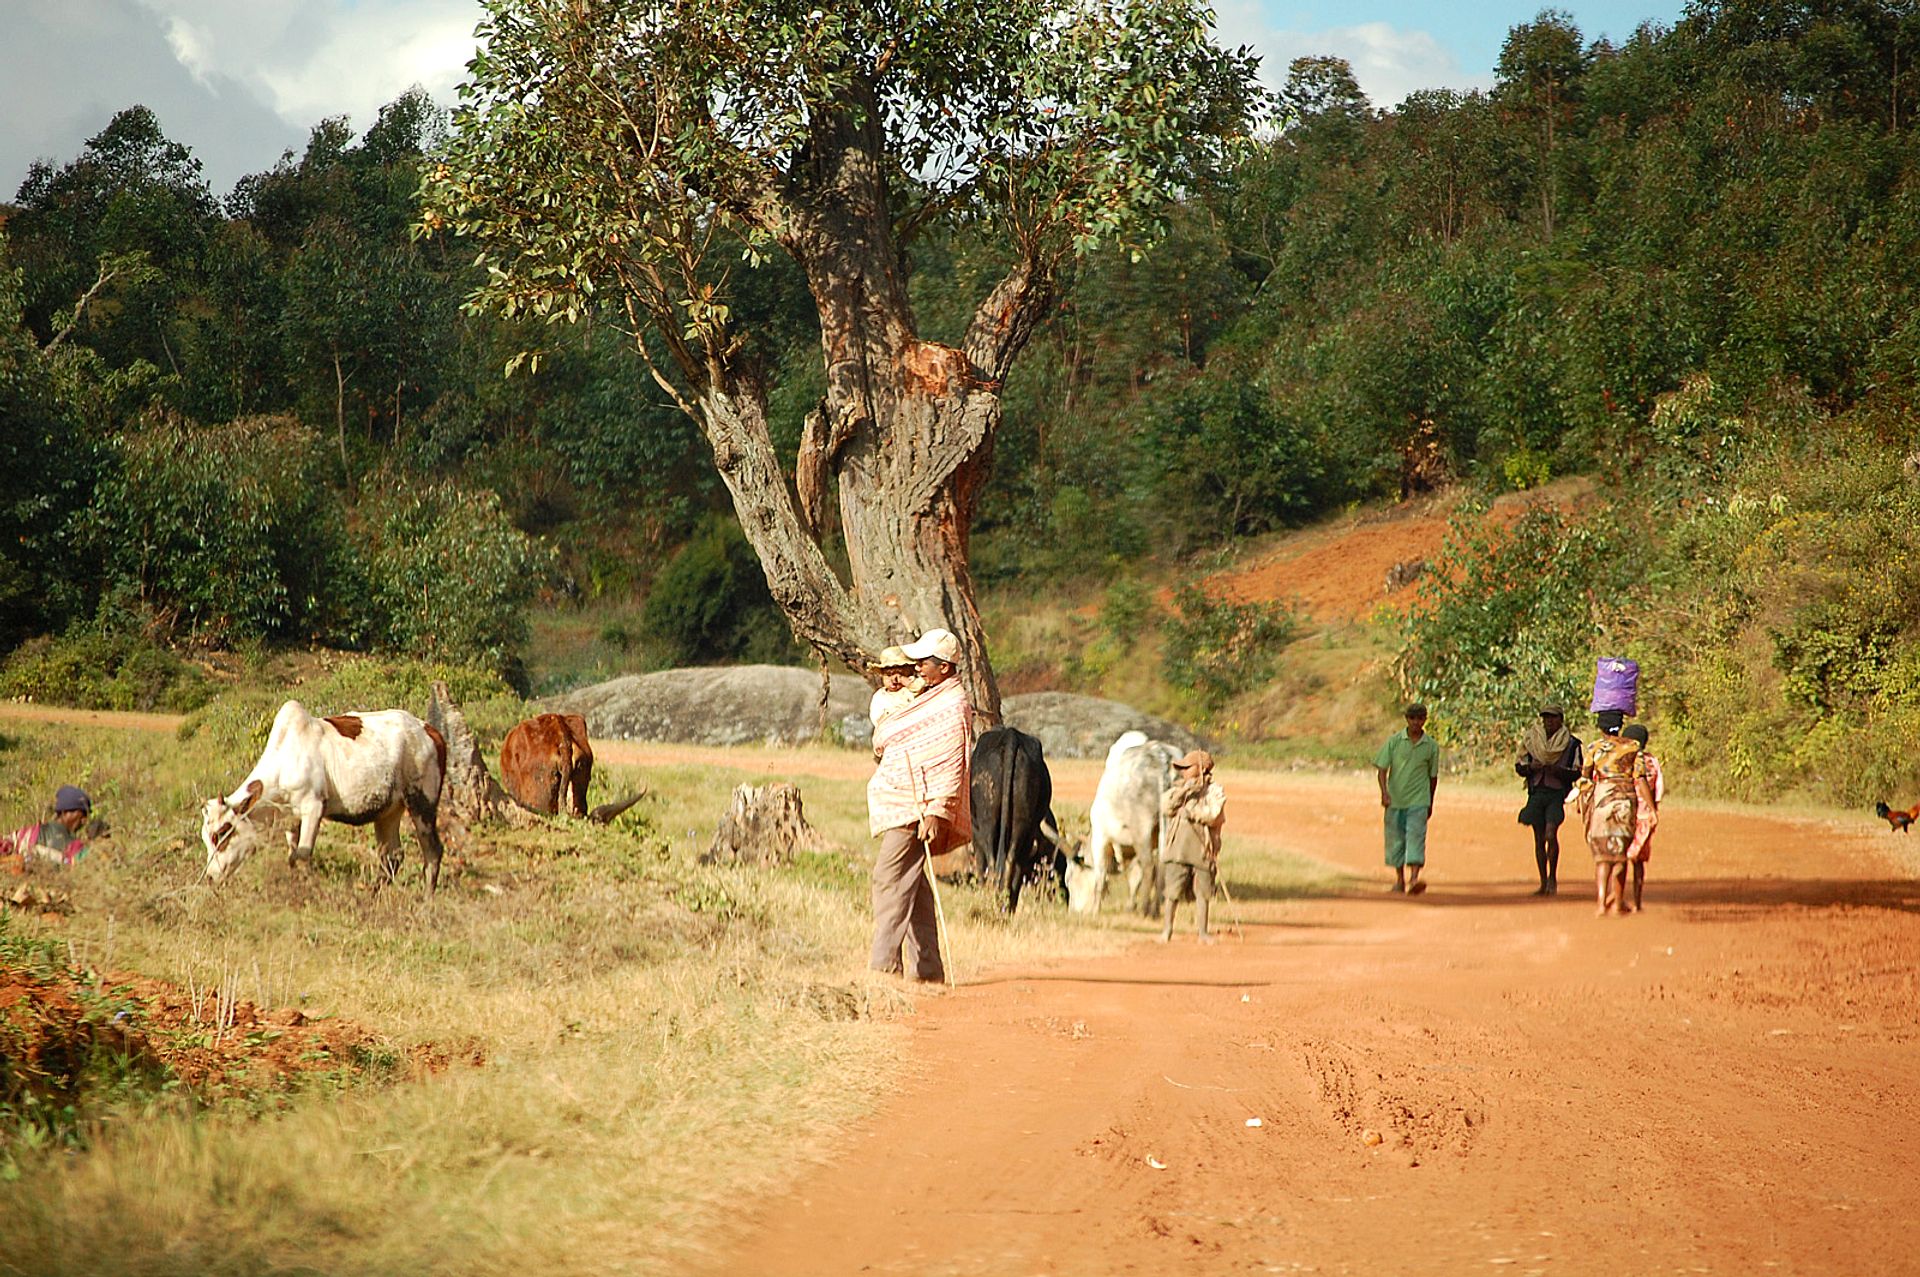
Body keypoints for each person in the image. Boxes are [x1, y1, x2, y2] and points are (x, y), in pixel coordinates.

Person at [865, 627, 973, 983]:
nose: (917, 669)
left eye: (924, 662)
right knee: (915, 888)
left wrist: (936, 811)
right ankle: (928, 970)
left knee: (888, 878)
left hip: (918, 807)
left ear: (944, 667)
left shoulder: (952, 704)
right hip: (905, 798)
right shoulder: (927, 697)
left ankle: (884, 968)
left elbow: (952, 761)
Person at [1576, 712, 1651, 916]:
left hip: (1602, 801)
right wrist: (1651, 809)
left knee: (1602, 858)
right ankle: (1617, 903)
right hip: (1624, 803)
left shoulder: (1594, 748)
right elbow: (1641, 779)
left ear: (1600, 728)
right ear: (1620, 726)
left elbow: (1586, 779)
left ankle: (1601, 903)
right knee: (1619, 857)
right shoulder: (1633, 748)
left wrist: (1581, 801)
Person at [1515, 702, 1583, 896]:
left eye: (1552, 718)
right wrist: (1531, 768)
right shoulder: (1531, 740)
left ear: (1561, 720)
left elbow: (1577, 772)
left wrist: (1557, 771)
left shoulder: (1571, 744)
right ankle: (1543, 882)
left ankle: (1552, 877)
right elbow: (1520, 766)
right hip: (1536, 792)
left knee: (1550, 834)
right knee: (1538, 838)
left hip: (1555, 794)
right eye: (1546, 718)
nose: (1549, 722)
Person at [1158, 750, 1226, 944]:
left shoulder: (1214, 791)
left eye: (1187, 768)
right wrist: (1183, 792)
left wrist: (1193, 812)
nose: (1183, 772)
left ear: (1202, 769)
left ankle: (1203, 933)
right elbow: (1166, 807)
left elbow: (1214, 814)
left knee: (1203, 893)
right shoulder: (1179, 789)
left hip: (1202, 851)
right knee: (1171, 892)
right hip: (1178, 850)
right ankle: (1167, 930)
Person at [1374, 704, 1439, 895]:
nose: (1416, 723)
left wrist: (1430, 802)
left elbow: (1433, 777)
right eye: (1413, 719)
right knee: (1396, 840)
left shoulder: (1431, 746)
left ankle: (1414, 879)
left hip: (1419, 800)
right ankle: (1399, 880)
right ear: (1407, 719)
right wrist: (1384, 793)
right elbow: (1382, 769)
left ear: (1425, 720)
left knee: (1416, 838)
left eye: (1420, 719)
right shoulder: (1394, 742)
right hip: (1395, 800)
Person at [1623, 724, 1664, 911]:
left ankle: (1616, 898)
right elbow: (1659, 791)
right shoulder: (1652, 762)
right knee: (1638, 861)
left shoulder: (1622, 760)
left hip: (1623, 813)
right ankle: (1637, 902)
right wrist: (1654, 810)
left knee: (1620, 857)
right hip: (1646, 816)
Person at [2, 786, 96, 867]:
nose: (84, 820)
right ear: (65, 813)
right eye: (82, 814)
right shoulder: (75, 847)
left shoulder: (27, 834)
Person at [867, 645, 920, 730]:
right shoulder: (880, 696)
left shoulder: (911, 689)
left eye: (900, 674)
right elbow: (876, 717)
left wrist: (906, 681)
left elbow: (920, 688)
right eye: (888, 675)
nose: (894, 680)